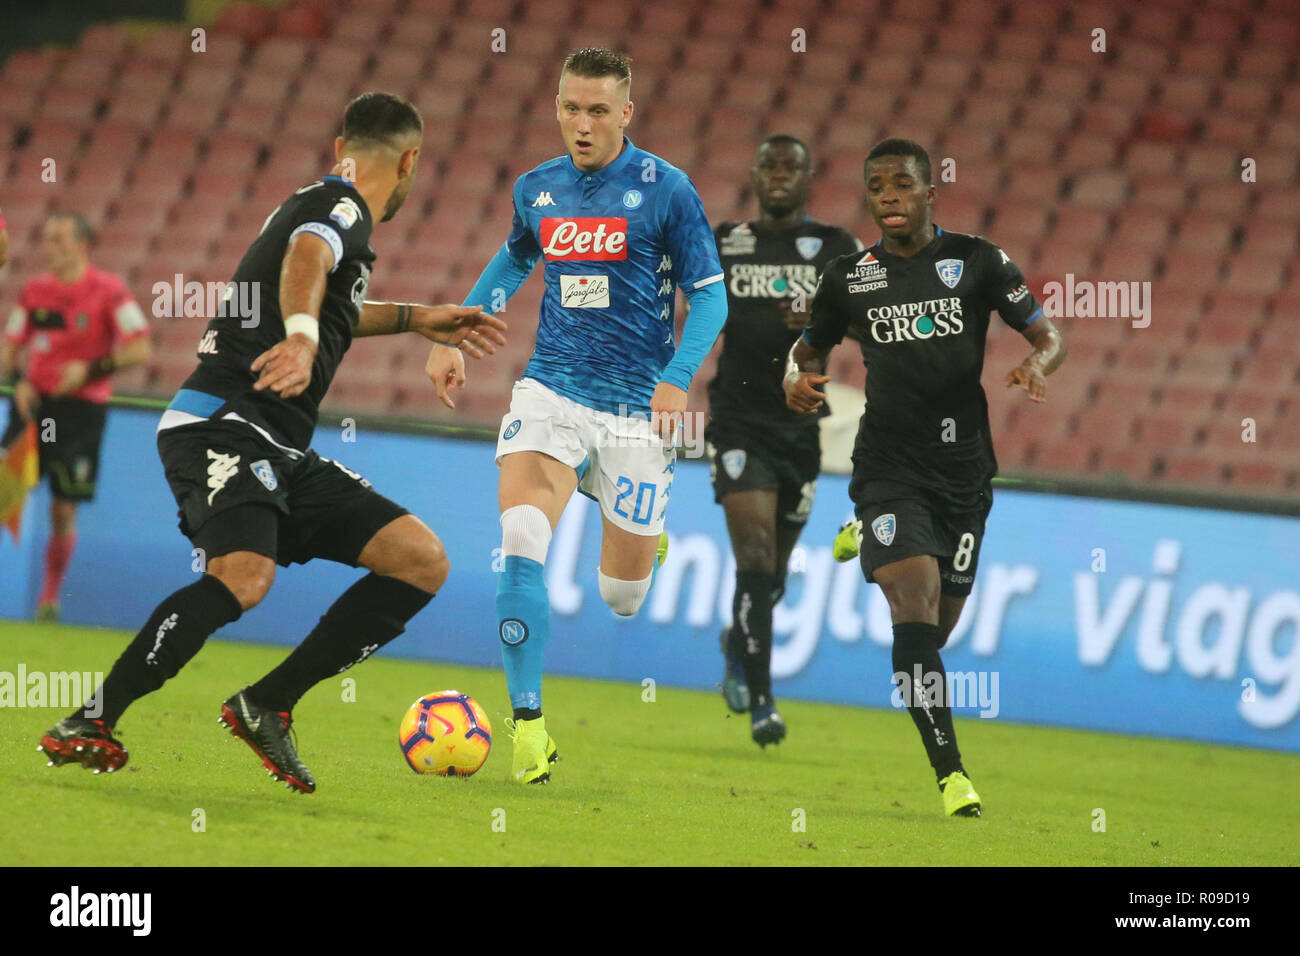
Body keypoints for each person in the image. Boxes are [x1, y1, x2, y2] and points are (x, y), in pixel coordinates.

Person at [39, 93, 506, 794]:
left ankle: (268, 702)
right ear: (410, 161)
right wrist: (300, 333)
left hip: (280, 445)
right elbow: (306, 259)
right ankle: (92, 719)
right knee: (243, 577)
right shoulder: (339, 209)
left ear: (341, 141)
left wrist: (416, 319)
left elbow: (327, 292)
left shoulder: (323, 202)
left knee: (419, 561)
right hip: (222, 423)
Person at [425, 48, 727, 784]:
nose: (582, 124)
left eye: (598, 110)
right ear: (556, 107)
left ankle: (640, 528)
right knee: (522, 532)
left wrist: (677, 377)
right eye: (570, 108)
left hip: (633, 409)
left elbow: (711, 296)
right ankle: (528, 726)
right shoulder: (539, 189)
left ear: (626, 113)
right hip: (551, 390)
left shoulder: (667, 190)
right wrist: (458, 332)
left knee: (621, 599)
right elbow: (514, 259)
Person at [784, 138, 1065, 816]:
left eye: (902, 184)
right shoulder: (851, 277)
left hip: (964, 470)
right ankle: (952, 775)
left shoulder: (977, 261)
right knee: (913, 604)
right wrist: (796, 376)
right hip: (888, 464)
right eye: (876, 185)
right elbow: (809, 344)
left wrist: (1038, 366)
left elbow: (1048, 336)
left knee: (936, 629)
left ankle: (865, 535)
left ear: (930, 190)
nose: (888, 196)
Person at [706, 134, 861, 747]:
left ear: (807, 176)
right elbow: (689, 299)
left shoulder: (833, 247)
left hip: (801, 425)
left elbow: (865, 315)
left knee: (772, 579)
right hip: (738, 421)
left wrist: (823, 319)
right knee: (755, 558)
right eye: (767, 164)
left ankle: (736, 643)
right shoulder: (727, 241)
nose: (777, 175)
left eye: (789, 166)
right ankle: (765, 701)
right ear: (753, 172)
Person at [0, 213, 151, 620]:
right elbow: (9, 348)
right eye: (47, 240)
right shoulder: (35, 292)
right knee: (4, 494)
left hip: (82, 411)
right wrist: (19, 382)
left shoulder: (109, 290)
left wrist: (88, 370)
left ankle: (48, 598)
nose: (50, 248)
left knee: (63, 507)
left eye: (59, 240)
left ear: (83, 245)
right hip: (34, 407)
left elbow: (139, 348)